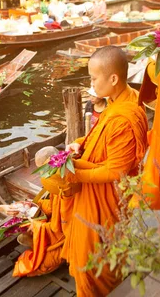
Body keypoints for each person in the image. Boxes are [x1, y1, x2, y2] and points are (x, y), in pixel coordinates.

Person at [61, 46, 148, 296]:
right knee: (103, 251)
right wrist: (81, 143)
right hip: (101, 193)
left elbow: (116, 170)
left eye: (93, 78)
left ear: (113, 79)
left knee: (91, 259)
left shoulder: (123, 116)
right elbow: (100, 134)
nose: (91, 84)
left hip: (107, 198)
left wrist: (76, 174)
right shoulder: (122, 99)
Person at [13, 146, 79, 277]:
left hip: (65, 237)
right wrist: (34, 203)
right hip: (57, 225)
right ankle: (37, 242)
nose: (41, 174)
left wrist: (37, 227)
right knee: (25, 226)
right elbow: (53, 205)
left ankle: (40, 244)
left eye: (41, 170)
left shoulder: (66, 185)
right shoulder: (56, 180)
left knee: (40, 266)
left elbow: (63, 226)